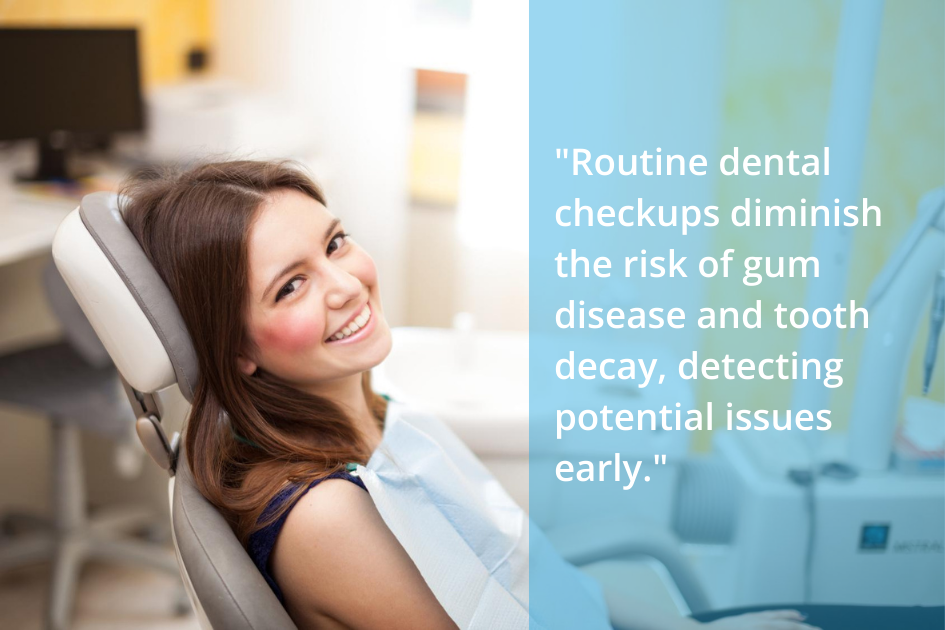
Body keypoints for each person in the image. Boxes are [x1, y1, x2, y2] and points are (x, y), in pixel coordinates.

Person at [120, 160, 819, 630]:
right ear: (235, 347)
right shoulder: (324, 516)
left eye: (335, 243)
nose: (346, 284)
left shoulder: (369, 412)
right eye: (290, 285)